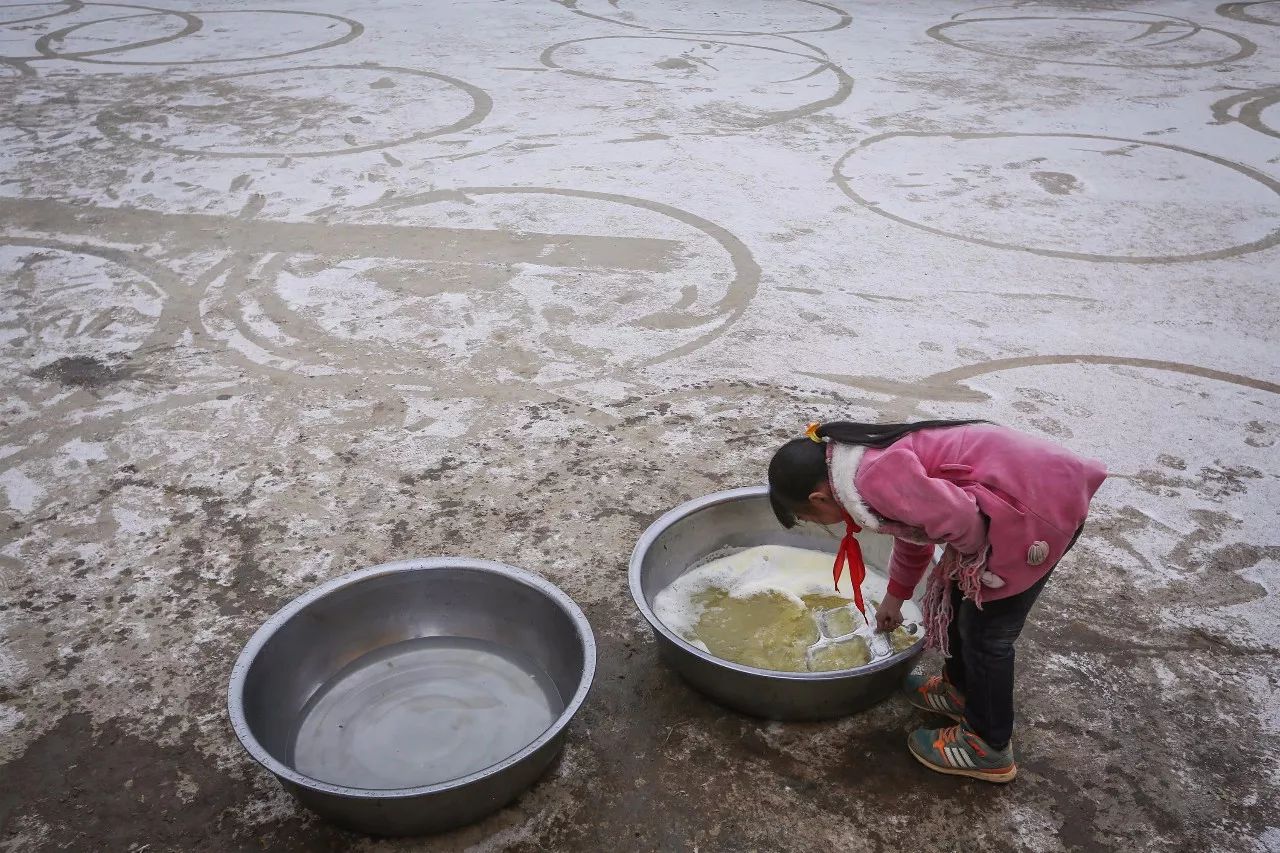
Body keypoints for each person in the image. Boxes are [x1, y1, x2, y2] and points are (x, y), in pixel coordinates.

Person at [767, 419, 1106, 782]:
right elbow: (917, 534)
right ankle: (960, 690)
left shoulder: (873, 479)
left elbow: (960, 519)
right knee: (964, 601)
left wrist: (971, 563)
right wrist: (895, 598)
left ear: (818, 498)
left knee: (986, 634)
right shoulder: (854, 463)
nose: (821, 522)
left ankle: (988, 746)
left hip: (1039, 511)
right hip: (1024, 493)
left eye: (810, 518)